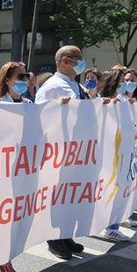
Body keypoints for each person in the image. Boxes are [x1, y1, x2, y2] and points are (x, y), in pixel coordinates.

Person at [34, 45, 89, 260]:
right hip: (57, 151)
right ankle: (53, 238)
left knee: (69, 195)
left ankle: (65, 233)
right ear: (65, 61)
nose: (81, 63)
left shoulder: (76, 84)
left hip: (76, 150)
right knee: (55, 196)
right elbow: (38, 117)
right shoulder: (53, 86)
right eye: (78, 59)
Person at [0, 61, 35, 272]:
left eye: (26, 77)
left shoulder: (29, 104)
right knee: (4, 219)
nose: (24, 81)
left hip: (24, 170)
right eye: (19, 77)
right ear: (7, 80)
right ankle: (3, 264)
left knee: (17, 217)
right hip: (3, 172)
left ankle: (2, 260)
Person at [96, 67, 137, 242]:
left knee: (118, 187)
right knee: (108, 188)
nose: (126, 85)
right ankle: (107, 225)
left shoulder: (125, 100)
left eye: (127, 81)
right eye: (122, 82)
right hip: (108, 152)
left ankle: (113, 224)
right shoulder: (103, 100)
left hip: (122, 152)